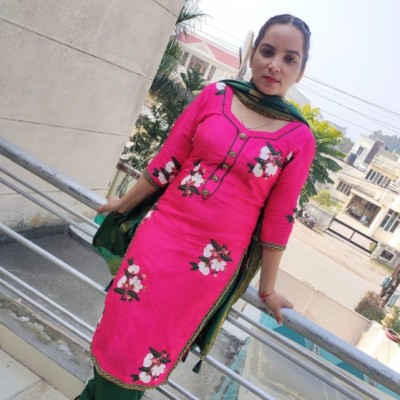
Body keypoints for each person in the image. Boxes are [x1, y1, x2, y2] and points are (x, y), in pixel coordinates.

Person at [76, 13, 315, 400]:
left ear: (300, 72)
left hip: (206, 268)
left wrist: (267, 290)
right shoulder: (215, 96)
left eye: (290, 59)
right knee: (119, 340)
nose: (275, 65)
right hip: (156, 242)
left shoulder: (299, 138)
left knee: (141, 357)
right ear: (253, 54)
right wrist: (123, 204)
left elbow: (279, 219)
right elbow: (166, 163)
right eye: (268, 52)